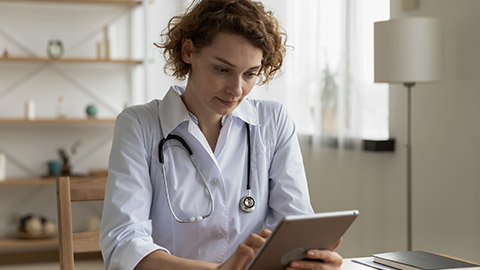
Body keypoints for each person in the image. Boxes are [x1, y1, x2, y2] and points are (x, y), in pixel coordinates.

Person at [99, 0, 343, 269]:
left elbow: (293, 227)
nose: (236, 89)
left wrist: (309, 259)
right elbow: (124, 244)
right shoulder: (139, 124)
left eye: (250, 74)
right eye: (222, 70)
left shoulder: (274, 122)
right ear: (188, 50)